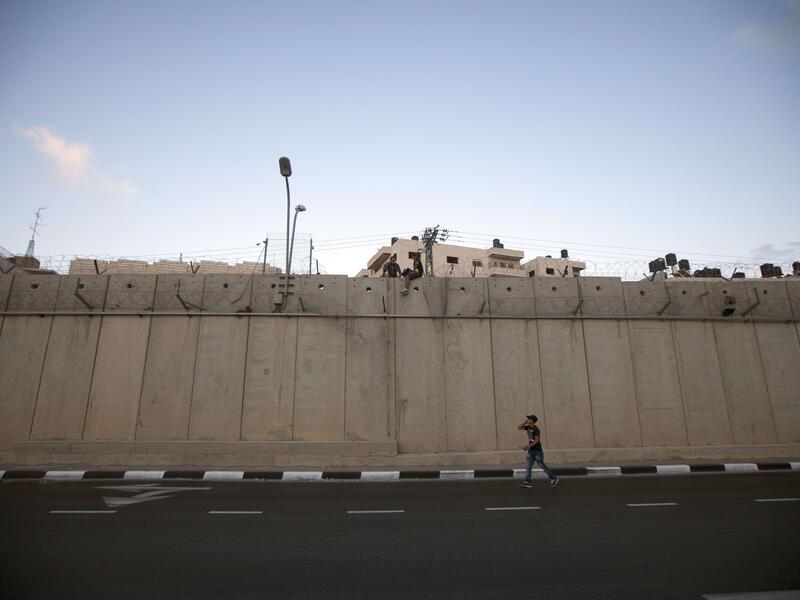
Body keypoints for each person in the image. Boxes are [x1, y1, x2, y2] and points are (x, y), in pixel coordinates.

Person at [518, 414, 559, 489]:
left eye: (529, 419)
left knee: (542, 466)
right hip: (531, 451)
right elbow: (519, 427)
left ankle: (554, 478)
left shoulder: (536, 429)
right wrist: (524, 422)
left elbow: (537, 440)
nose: (528, 419)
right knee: (528, 466)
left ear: (532, 421)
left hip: (537, 451)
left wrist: (528, 446)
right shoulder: (528, 427)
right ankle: (528, 482)